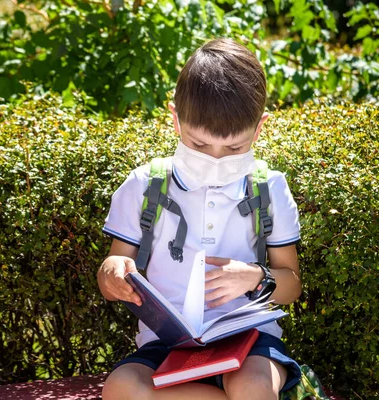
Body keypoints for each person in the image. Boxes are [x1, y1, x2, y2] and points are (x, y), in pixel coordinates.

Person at [97, 38, 302, 400]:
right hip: (165, 344)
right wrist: (112, 273)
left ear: (259, 129)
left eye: (235, 148)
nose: (216, 159)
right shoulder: (145, 185)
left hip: (249, 344)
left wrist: (255, 277)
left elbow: (292, 285)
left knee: (253, 387)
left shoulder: (269, 188)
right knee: (121, 388)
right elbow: (114, 265)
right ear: (175, 119)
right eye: (200, 145)